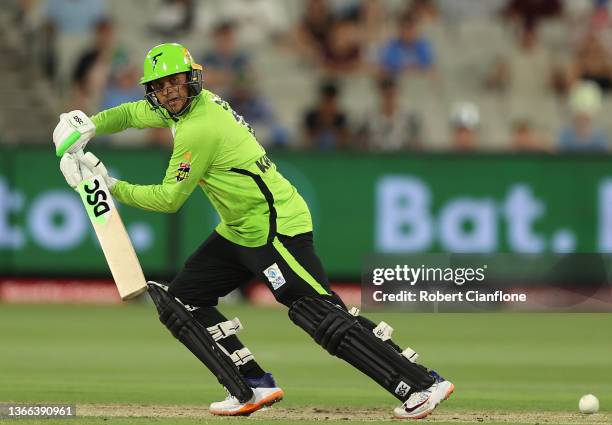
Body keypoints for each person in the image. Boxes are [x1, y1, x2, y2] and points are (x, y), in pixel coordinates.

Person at [52, 43, 453, 419]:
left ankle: (421, 385)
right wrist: (89, 125)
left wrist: (111, 186)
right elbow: (130, 115)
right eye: (160, 86)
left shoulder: (199, 127)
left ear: (191, 80)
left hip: (277, 226)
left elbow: (170, 199)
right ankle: (251, 386)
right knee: (185, 299)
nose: (169, 92)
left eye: (175, 82)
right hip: (240, 229)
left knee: (318, 313)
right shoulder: (180, 109)